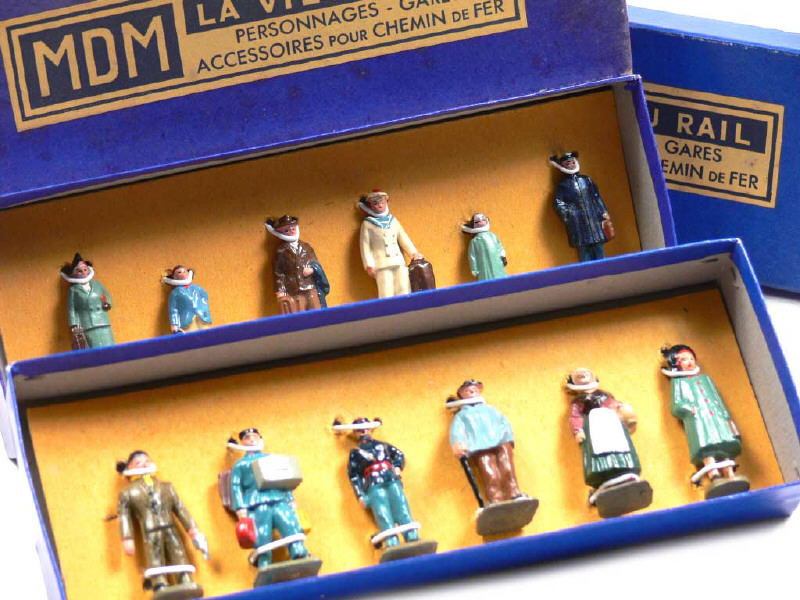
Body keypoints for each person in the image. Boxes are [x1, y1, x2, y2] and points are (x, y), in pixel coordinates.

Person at [661, 344, 750, 499]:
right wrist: (690, 409)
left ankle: (730, 473)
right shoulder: (679, 383)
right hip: (700, 421)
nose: (689, 362)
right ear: (677, 364)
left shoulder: (705, 379)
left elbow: (717, 399)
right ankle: (714, 476)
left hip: (717, 418)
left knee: (725, 444)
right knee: (707, 447)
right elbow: (676, 406)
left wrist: (726, 416)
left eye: (691, 358)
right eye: (684, 360)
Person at [116, 451, 207, 597]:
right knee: (155, 556)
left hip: (170, 528)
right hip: (150, 531)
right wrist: (127, 537)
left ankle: (185, 578)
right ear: (130, 468)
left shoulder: (166, 487)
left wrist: (192, 530)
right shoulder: (128, 492)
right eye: (138, 463)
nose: (144, 465)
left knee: (178, 552)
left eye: (146, 461)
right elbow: (124, 516)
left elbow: (180, 508)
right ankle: (159, 584)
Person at [566, 368, 651, 516]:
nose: (583, 376)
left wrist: (622, 410)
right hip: (593, 427)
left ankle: (625, 471)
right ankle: (604, 479)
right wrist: (578, 430)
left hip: (612, 423)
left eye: (586, 374)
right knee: (599, 451)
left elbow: (615, 405)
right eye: (579, 376)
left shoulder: (605, 395)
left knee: (619, 446)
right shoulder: (579, 402)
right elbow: (576, 417)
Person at [229, 428, 310, 570]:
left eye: (254, 437)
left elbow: (282, 478)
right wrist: (240, 507)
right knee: (262, 531)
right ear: (242, 442)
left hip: (278, 497)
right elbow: (235, 487)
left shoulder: (271, 459)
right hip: (257, 502)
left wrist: (290, 497)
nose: (252, 439)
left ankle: (298, 551)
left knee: (289, 521)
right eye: (247, 438)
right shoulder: (240, 465)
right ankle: (264, 561)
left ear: (260, 439)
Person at [447, 379, 524, 505]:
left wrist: (509, 438)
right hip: (479, 447)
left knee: (508, 468)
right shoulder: (461, 416)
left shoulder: (490, 410)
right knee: (490, 473)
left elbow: (504, 422)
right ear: (461, 394)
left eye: (474, 388)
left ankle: (514, 493)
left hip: (501, 441)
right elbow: (457, 431)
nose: (471, 391)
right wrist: (458, 443)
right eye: (467, 390)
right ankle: (496, 499)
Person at [358, 190, 423, 298]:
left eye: (382, 202)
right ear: (370, 205)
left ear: (386, 202)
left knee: (404, 288)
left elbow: (403, 238)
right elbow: (365, 246)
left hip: (398, 261)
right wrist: (369, 264)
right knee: (386, 291)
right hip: (381, 264)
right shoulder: (367, 224)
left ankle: (406, 306)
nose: (380, 205)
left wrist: (413, 253)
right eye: (376, 203)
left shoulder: (392, 221)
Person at [550, 152, 613, 262]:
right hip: (578, 226)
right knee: (584, 252)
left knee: (599, 249)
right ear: (562, 166)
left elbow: (596, 196)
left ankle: (603, 267)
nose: (570, 165)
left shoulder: (586, 180)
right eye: (567, 163)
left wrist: (603, 211)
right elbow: (559, 203)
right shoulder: (563, 186)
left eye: (572, 163)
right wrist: (571, 215)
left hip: (594, 222)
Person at [265, 215, 329, 313]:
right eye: (286, 230)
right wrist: (280, 291)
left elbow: (315, 261)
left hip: (310, 286)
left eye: (293, 229)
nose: (291, 231)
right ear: (280, 232)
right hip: (294, 290)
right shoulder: (281, 251)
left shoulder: (306, 247)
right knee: (300, 311)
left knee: (316, 309)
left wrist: (312, 269)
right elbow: (278, 273)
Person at [59, 253, 114, 348]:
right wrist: (74, 325)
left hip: (102, 321)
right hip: (88, 324)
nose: (83, 272)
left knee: (110, 345)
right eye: (78, 270)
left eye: (85, 269)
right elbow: (72, 309)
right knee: (95, 348)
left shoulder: (97, 284)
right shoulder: (73, 290)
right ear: (73, 273)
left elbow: (107, 296)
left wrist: (106, 303)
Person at [162, 265, 212, 333]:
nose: (182, 273)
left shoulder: (197, 288)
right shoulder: (175, 293)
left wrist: (204, 310)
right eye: (179, 272)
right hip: (187, 321)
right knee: (191, 337)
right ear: (173, 276)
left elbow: (204, 297)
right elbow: (173, 310)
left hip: (201, 317)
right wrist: (174, 325)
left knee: (207, 335)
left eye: (184, 271)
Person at [462, 213, 507, 280]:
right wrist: (474, 269)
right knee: (487, 278)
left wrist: (503, 256)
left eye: (483, 219)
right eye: (477, 221)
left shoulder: (493, 236)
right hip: (483, 265)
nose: (481, 221)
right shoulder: (474, 241)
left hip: (497, 262)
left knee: (500, 277)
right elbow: (472, 256)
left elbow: (499, 246)